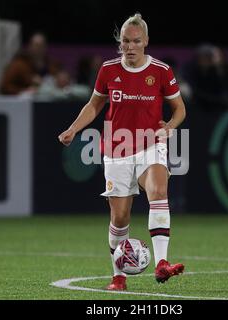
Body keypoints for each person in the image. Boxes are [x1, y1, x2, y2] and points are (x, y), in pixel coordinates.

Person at [58, 13, 186, 291]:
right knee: (120, 217)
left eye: (135, 41)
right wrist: (73, 129)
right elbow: (94, 106)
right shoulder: (108, 70)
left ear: (146, 42)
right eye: (125, 41)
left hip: (151, 143)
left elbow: (180, 109)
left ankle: (162, 263)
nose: (129, 47)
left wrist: (170, 127)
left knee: (158, 190)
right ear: (120, 42)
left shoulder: (161, 71)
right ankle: (119, 278)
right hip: (116, 150)